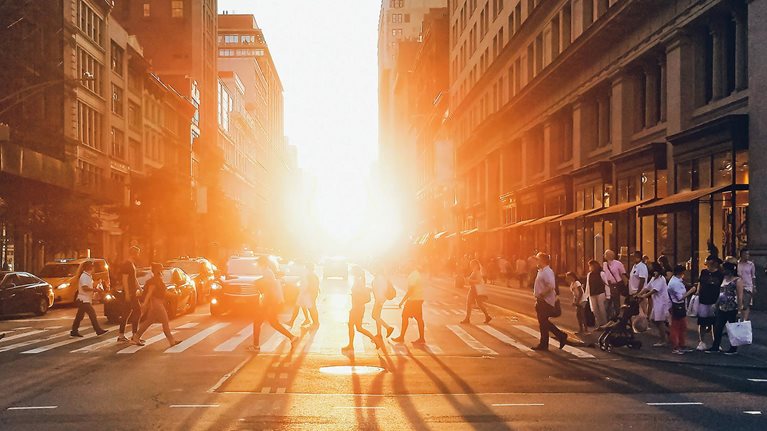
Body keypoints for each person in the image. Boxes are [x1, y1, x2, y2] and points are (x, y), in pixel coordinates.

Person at [249, 256, 297, 353]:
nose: (257, 265)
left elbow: (268, 289)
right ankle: (292, 337)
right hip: (271, 301)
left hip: (269, 302)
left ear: (261, 264)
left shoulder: (267, 272)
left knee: (258, 323)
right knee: (273, 323)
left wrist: (263, 302)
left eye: (258, 263)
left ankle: (256, 346)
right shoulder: (267, 272)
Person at [130, 263, 179, 347]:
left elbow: (164, 292)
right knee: (165, 321)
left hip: (156, 304)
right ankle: (171, 341)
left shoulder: (158, 280)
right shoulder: (154, 281)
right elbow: (150, 293)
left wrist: (174, 295)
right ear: (157, 270)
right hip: (157, 304)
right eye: (161, 269)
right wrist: (145, 304)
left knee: (149, 321)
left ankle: (136, 337)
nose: (162, 270)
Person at [706, 260, 744, 355]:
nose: (723, 271)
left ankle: (733, 347)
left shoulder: (737, 280)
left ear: (730, 270)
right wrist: (716, 303)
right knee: (718, 327)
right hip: (722, 306)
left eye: (725, 269)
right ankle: (715, 346)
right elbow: (721, 293)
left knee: (732, 328)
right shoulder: (724, 278)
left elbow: (740, 295)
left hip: (732, 307)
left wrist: (740, 309)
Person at [531, 252, 567, 351]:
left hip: (545, 301)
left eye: (537, 259)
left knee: (543, 323)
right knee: (543, 323)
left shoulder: (547, 271)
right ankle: (546, 343)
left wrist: (542, 294)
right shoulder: (541, 271)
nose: (536, 261)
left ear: (542, 260)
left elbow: (551, 285)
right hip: (541, 300)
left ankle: (559, 336)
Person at [687, 255, 723, 351]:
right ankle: (702, 342)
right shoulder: (703, 272)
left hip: (715, 300)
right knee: (702, 322)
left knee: (715, 323)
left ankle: (716, 342)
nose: (707, 262)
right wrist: (698, 292)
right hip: (703, 299)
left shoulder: (720, 274)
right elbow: (699, 283)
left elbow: (721, 287)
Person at [343, 266, 383, 352]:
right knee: (357, 327)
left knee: (354, 326)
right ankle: (375, 341)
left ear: (355, 272)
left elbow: (359, 292)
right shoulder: (359, 280)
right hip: (358, 307)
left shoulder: (358, 281)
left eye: (352, 271)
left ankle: (351, 345)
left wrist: (355, 293)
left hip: (357, 307)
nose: (351, 272)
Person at [70, 260, 109, 338]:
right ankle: (98, 330)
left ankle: (74, 331)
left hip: (85, 299)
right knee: (92, 315)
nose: (94, 269)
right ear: (90, 268)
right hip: (84, 300)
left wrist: (95, 286)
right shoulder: (84, 276)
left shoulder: (87, 276)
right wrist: (95, 290)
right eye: (93, 267)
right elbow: (84, 287)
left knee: (79, 316)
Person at [393, 264, 426, 344]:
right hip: (418, 299)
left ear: (411, 267)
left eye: (407, 267)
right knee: (418, 319)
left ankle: (402, 337)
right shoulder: (417, 274)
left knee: (405, 316)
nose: (406, 268)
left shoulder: (413, 276)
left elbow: (411, 290)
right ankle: (421, 338)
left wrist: (402, 301)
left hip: (413, 300)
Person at [638, 262, 669, 347]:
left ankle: (663, 340)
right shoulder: (653, 278)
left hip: (662, 302)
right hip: (657, 302)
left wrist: (644, 296)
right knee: (653, 320)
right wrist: (639, 294)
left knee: (659, 321)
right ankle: (667, 332)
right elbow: (647, 287)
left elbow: (654, 290)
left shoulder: (661, 279)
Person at [117, 246, 141, 342]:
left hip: (132, 292)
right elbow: (125, 279)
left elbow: (133, 278)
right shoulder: (127, 264)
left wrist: (139, 288)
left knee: (126, 314)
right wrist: (127, 293)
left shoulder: (131, 264)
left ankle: (121, 335)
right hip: (130, 293)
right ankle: (134, 335)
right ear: (134, 254)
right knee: (138, 312)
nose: (138, 255)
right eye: (138, 253)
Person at [460, 259, 492, 324]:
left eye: (472, 265)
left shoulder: (477, 272)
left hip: (475, 289)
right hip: (475, 289)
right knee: (478, 304)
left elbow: (478, 280)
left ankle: (467, 319)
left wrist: (469, 280)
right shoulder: (475, 271)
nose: (471, 266)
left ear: (476, 265)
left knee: (469, 303)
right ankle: (487, 316)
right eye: (470, 265)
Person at [668, 265, 691, 354]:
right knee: (676, 327)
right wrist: (691, 291)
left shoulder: (676, 281)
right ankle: (676, 346)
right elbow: (680, 297)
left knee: (682, 326)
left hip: (679, 306)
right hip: (677, 306)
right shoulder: (675, 283)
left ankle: (681, 344)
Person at [603, 250, 627, 320]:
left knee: (616, 303)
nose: (605, 256)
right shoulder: (604, 264)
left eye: (607, 254)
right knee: (607, 304)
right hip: (607, 286)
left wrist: (625, 287)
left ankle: (617, 319)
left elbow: (623, 275)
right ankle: (609, 319)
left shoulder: (618, 264)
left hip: (616, 285)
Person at [371, 266, 395, 339]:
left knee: (374, 316)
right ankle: (379, 334)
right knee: (378, 316)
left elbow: (380, 290)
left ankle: (388, 328)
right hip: (380, 299)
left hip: (379, 299)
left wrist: (379, 301)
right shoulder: (381, 277)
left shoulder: (379, 278)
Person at [288, 263, 314, 328]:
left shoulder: (307, 274)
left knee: (298, 307)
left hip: (304, 293)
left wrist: (302, 291)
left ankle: (291, 322)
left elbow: (305, 283)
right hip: (304, 293)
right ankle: (307, 319)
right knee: (303, 306)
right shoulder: (310, 274)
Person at [586, 259, 609, 328]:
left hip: (600, 293)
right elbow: (588, 285)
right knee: (594, 310)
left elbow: (606, 284)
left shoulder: (601, 273)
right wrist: (586, 295)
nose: (590, 267)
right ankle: (599, 324)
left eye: (591, 266)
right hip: (592, 294)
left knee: (602, 309)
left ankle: (605, 324)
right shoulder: (589, 274)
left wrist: (608, 295)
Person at [738, 249, 756, 321]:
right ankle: (740, 317)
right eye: (746, 254)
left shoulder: (751, 264)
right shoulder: (737, 264)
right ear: (742, 255)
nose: (747, 256)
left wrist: (754, 286)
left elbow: (753, 276)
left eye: (748, 254)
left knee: (746, 303)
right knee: (740, 302)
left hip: (748, 285)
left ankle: (745, 320)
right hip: (739, 285)